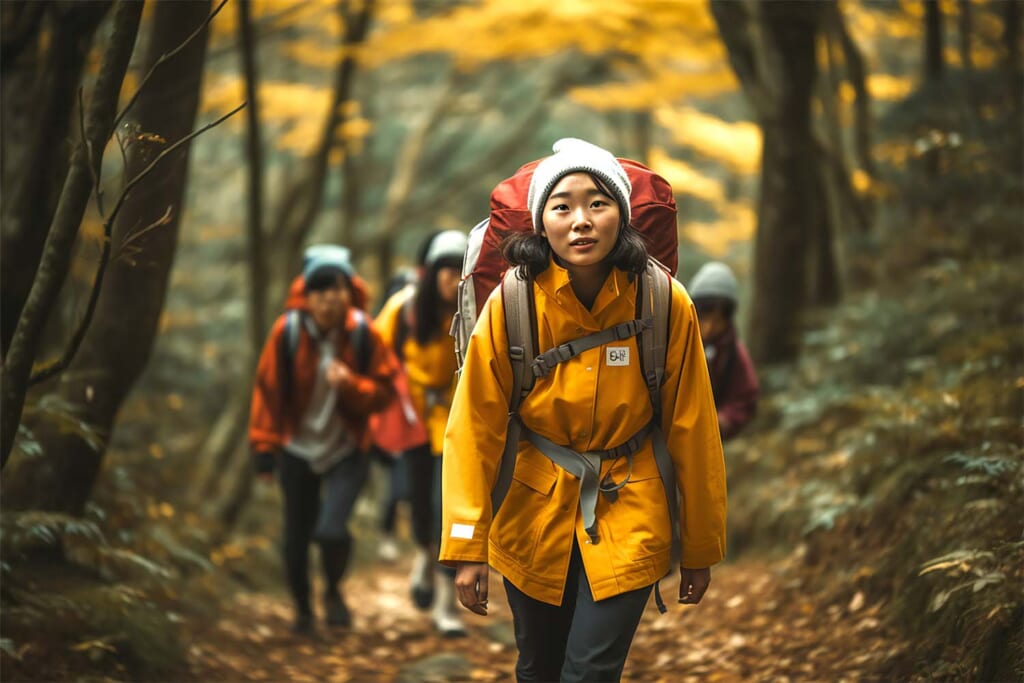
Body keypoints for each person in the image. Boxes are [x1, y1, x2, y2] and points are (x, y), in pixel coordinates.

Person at [440, 138, 728, 682]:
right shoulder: (512, 301)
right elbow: (472, 428)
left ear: (622, 215)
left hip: (632, 504)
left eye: (598, 203)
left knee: (591, 672)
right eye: (562, 205)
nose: (581, 221)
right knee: (539, 668)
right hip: (531, 509)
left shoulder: (665, 302)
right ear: (539, 221)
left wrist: (700, 544)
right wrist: (464, 545)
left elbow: (694, 429)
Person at [250, 246, 396, 634]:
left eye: (338, 288)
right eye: (320, 290)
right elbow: (267, 392)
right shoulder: (288, 332)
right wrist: (263, 448)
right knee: (295, 536)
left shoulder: (365, 333)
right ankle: (302, 611)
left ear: (350, 293)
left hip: (347, 447)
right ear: (306, 295)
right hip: (296, 447)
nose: (330, 297)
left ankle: (332, 591)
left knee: (331, 530)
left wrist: (351, 386)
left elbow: (385, 392)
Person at [375, 229, 469, 637]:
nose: (452, 277)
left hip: (459, 431)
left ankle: (447, 606)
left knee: (449, 515)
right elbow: (372, 356)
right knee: (418, 509)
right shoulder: (405, 310)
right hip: (413, 427)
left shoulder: (480, 312)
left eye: (458, 268)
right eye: (444, 269)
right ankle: (422, 559)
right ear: (430, 274)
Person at [687, 261, 760, 440]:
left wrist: (723, 420)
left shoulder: (732, 352)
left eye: (718, 320)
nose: (710, 327)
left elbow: (746, 397)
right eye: (705, 316)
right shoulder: (675, 341)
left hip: (708, 440)